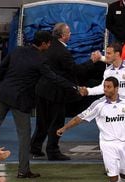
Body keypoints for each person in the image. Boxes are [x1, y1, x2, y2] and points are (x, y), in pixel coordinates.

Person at [0, 30, 77, 178]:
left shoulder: (17, 50)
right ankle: (23, 171)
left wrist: (2, 84)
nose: (50, 45)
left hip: (4, 94)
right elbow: (53, 77)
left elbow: (1, 68)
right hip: (21, 101)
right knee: (24, 136)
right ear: (43, 44)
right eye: (49, 43)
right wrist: (73, 87)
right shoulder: (40, 60)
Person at [31, 23, 98, 161]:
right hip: (56, 93)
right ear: (62, 36)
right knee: (57, 122)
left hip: (42, 90)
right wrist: (92, 61)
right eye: (68, 33)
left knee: (42, 122)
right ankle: (53, 150)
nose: (70, 34)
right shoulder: (63, 52)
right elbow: (76, 71)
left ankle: (35, 148)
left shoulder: (48, 47)